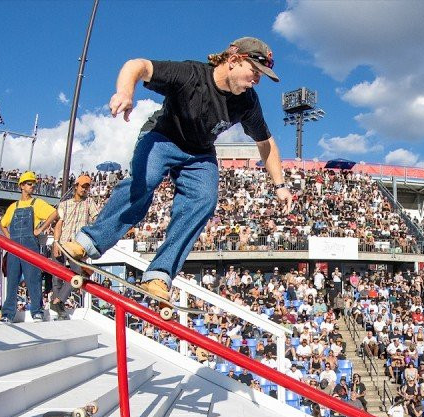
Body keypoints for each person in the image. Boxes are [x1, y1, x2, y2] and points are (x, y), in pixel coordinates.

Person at [59, 37, 294, 307]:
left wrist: (280, 185)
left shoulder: (248, 102)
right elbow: (137, 65)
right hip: (162, 137)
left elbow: (266, 143)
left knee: (204, 200)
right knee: (144, 180)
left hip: (200, 153)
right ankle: (89, 242)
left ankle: (159, 274)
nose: (257, 81)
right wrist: (125, 92)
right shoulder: (190, 75)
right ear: (233, 60)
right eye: (255, 72)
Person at [0, 171, 56, 321]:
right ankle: (7, 314)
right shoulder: (13, 206)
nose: (32, 186)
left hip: (30, 247)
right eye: (29, 184)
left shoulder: (37, 203)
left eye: (33, 184)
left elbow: (54, 213)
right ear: (22, 186)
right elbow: (2, 223)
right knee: (12, 280)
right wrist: (8, 237)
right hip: (14, 248)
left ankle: (37, 311)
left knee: (33, 279)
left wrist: (40, 229)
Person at [47, 174, 100, 318]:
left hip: (77, 245)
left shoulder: (89, 203)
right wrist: (56, 242)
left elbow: (97, 220)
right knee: (57, 276)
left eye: (87, 187)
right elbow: (59, 223)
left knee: (76, 274)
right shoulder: (65, 204)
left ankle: (58, 301)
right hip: (62, 242)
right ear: (76, 186)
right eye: (82, 186)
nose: (84, 189)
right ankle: (57, 305)